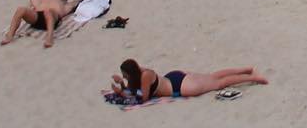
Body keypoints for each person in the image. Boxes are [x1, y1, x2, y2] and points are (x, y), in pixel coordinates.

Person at [114, 60, 266, 104]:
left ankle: (252, 78)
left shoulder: (145, 77)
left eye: (125, 75)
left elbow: (143, 97)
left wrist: (122, 93)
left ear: (131, 73)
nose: (125, 77)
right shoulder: (140, 73)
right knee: (212, 76)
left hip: (180, 86)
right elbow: (132, 90)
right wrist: (121, 86)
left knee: (218, 84)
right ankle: (245, 69)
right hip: (175, 77)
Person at [0, 0, 71, 48]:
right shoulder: (44, 0)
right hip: (37, 17)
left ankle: (49, 38)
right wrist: (40, 2)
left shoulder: (64, 5)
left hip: (52, 18)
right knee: (21, 9)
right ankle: (10, 35)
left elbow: (77, 2)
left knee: (48, 12)